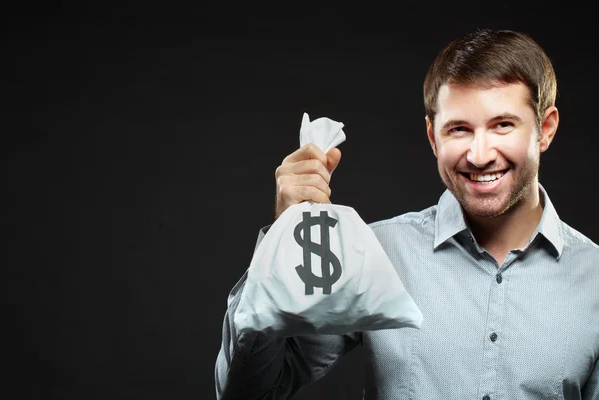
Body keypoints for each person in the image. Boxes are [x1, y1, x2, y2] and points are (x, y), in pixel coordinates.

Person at [214, 28, 599, 399]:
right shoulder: (374, 252)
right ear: (434, 137)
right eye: (459, 129)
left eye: (502, 125)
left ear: (544, 130)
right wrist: (282, 244)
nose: (480, 155)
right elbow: (253, 392)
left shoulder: (594, 279)